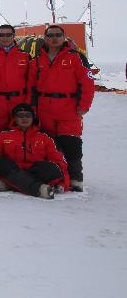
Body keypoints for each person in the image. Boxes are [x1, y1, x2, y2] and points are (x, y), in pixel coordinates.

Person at [28, 25, 94, 192]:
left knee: (71, 144)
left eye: (58, 35)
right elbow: (31, 87)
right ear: (45, 38)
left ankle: (76, 179)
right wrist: (32, 108)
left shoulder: (76, 58)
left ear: (64, 37)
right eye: (50, 35)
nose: (54, 38)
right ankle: (56, 177)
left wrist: (84, 105)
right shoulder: (37, 60)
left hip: (68, 107)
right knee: (50, 146)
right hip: (45, 108)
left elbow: (87, 82)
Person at [0, 104, 67, 199]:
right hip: (13, 170)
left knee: (53, 168)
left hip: (34, 171)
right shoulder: (4, 135)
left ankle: (10, 185)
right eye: (20, 115)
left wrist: (64, 183)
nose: (24, 118)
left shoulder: (44, 137)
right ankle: (38, 189)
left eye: (28, 115)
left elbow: (59, 161)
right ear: (14, 118)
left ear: (33, 118)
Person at [0, 25, 30, 139]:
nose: (5, 38)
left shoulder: (25, 56)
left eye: (8, 35)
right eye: (1, 35)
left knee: (20, 136)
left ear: (14, 36)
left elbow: (30, 81)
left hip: (19, 101)